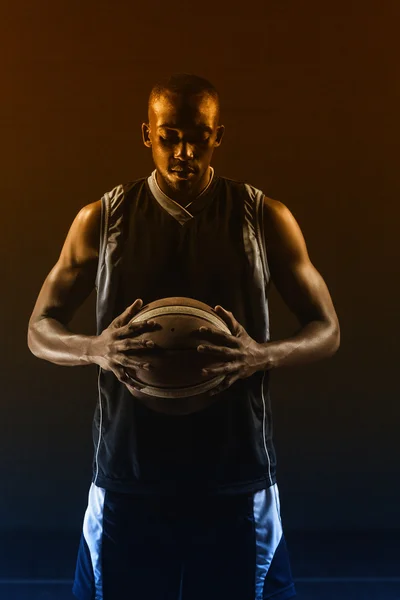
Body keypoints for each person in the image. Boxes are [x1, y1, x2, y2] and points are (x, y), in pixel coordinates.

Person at [27, 73, 340, 600]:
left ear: (219, 136)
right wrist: (94, 348)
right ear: (146, 134)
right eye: (169, 135)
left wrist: (259, 355)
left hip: (235, 477)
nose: (184, 150)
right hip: (129, 476)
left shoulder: (264, 217)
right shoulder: (101, 220)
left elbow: (327, 329)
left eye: (198, 135)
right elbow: (39, 328)